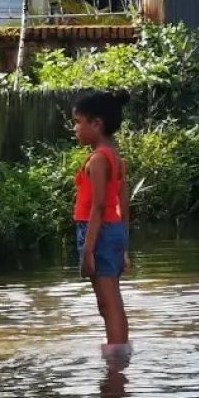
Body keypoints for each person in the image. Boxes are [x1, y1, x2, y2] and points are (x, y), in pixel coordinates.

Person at [72, 89, 131, 360]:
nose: (76, 129)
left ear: (97, 124)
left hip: (99, 232)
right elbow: (123, 204)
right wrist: (125, 246)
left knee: (108, 302)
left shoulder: (97, 159)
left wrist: (87, 250)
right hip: (113, 230)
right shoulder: (115, 157)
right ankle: (118, 357)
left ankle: (116, 366)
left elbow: (97, 207)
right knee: (112, 301)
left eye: (79, 122)